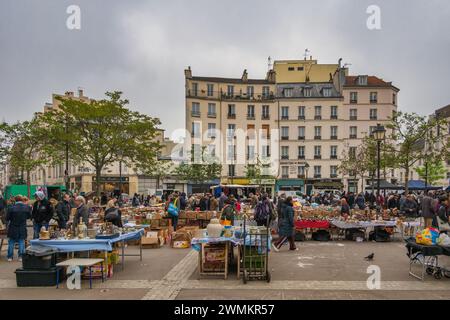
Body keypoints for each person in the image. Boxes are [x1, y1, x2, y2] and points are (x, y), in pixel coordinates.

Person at [6, 195, 31, 262]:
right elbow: (29, 217)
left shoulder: (11, 208)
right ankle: (20, 256)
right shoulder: (27, 207)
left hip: (13, 226)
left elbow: (7, 218)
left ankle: (10, 257)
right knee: (21, 242)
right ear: (22, 200)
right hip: (22, 226)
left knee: (11, 242)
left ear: (15, 200)